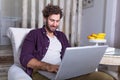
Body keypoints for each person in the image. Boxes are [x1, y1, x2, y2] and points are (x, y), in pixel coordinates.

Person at [20, 4, 115, 80]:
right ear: (45, 18)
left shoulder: (61, 36)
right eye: (52, 20)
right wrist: (49, 67)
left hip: (63, 71)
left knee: (105, 77)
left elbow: (70, 55)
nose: (55, 24)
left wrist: (80, 64)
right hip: (42, 71)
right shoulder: (34, 34)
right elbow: (25, 58)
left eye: (57, 21)